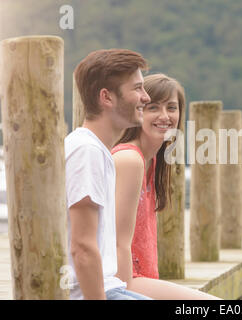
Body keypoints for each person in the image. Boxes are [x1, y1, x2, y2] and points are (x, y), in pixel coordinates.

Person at [112, 73, 220, 299]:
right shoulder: (129, 159)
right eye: (153, 108)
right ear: (138, 110)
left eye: (172, 108)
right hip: (123, 282)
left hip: (142, 280)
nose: (165, 116)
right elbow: (117, 243)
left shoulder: (152, 162)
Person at [64, 49, 152, 300]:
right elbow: (82, 247)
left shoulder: (96, 149)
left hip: (112, 288)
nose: (145, 97)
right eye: (137, 88)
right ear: (107, 97)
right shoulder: (86, 151)